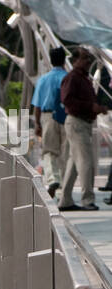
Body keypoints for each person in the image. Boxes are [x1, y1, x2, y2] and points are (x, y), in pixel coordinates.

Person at [59, 48, 111, 210]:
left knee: (74, 163)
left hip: (83, 122)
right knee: (86, 162)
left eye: (89, 59)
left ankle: (65, 200)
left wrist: (96, 108)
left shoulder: (83, 78)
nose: (88, 62)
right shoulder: (72, 78)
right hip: (77, 122)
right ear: (75, 60)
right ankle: (87, 199)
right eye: (85, 58)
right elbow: (67, 100)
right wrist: (91, 107)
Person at [32, 47, 68, 196]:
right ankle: (65, 184)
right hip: (66, 116)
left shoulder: (43, 79)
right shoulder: (68, 77)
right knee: (66, 152)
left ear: (51, 61)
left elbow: (37, 104)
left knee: (49, 151)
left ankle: (53, 178)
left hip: (48, 116)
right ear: (64, 60)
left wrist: (37, 123)